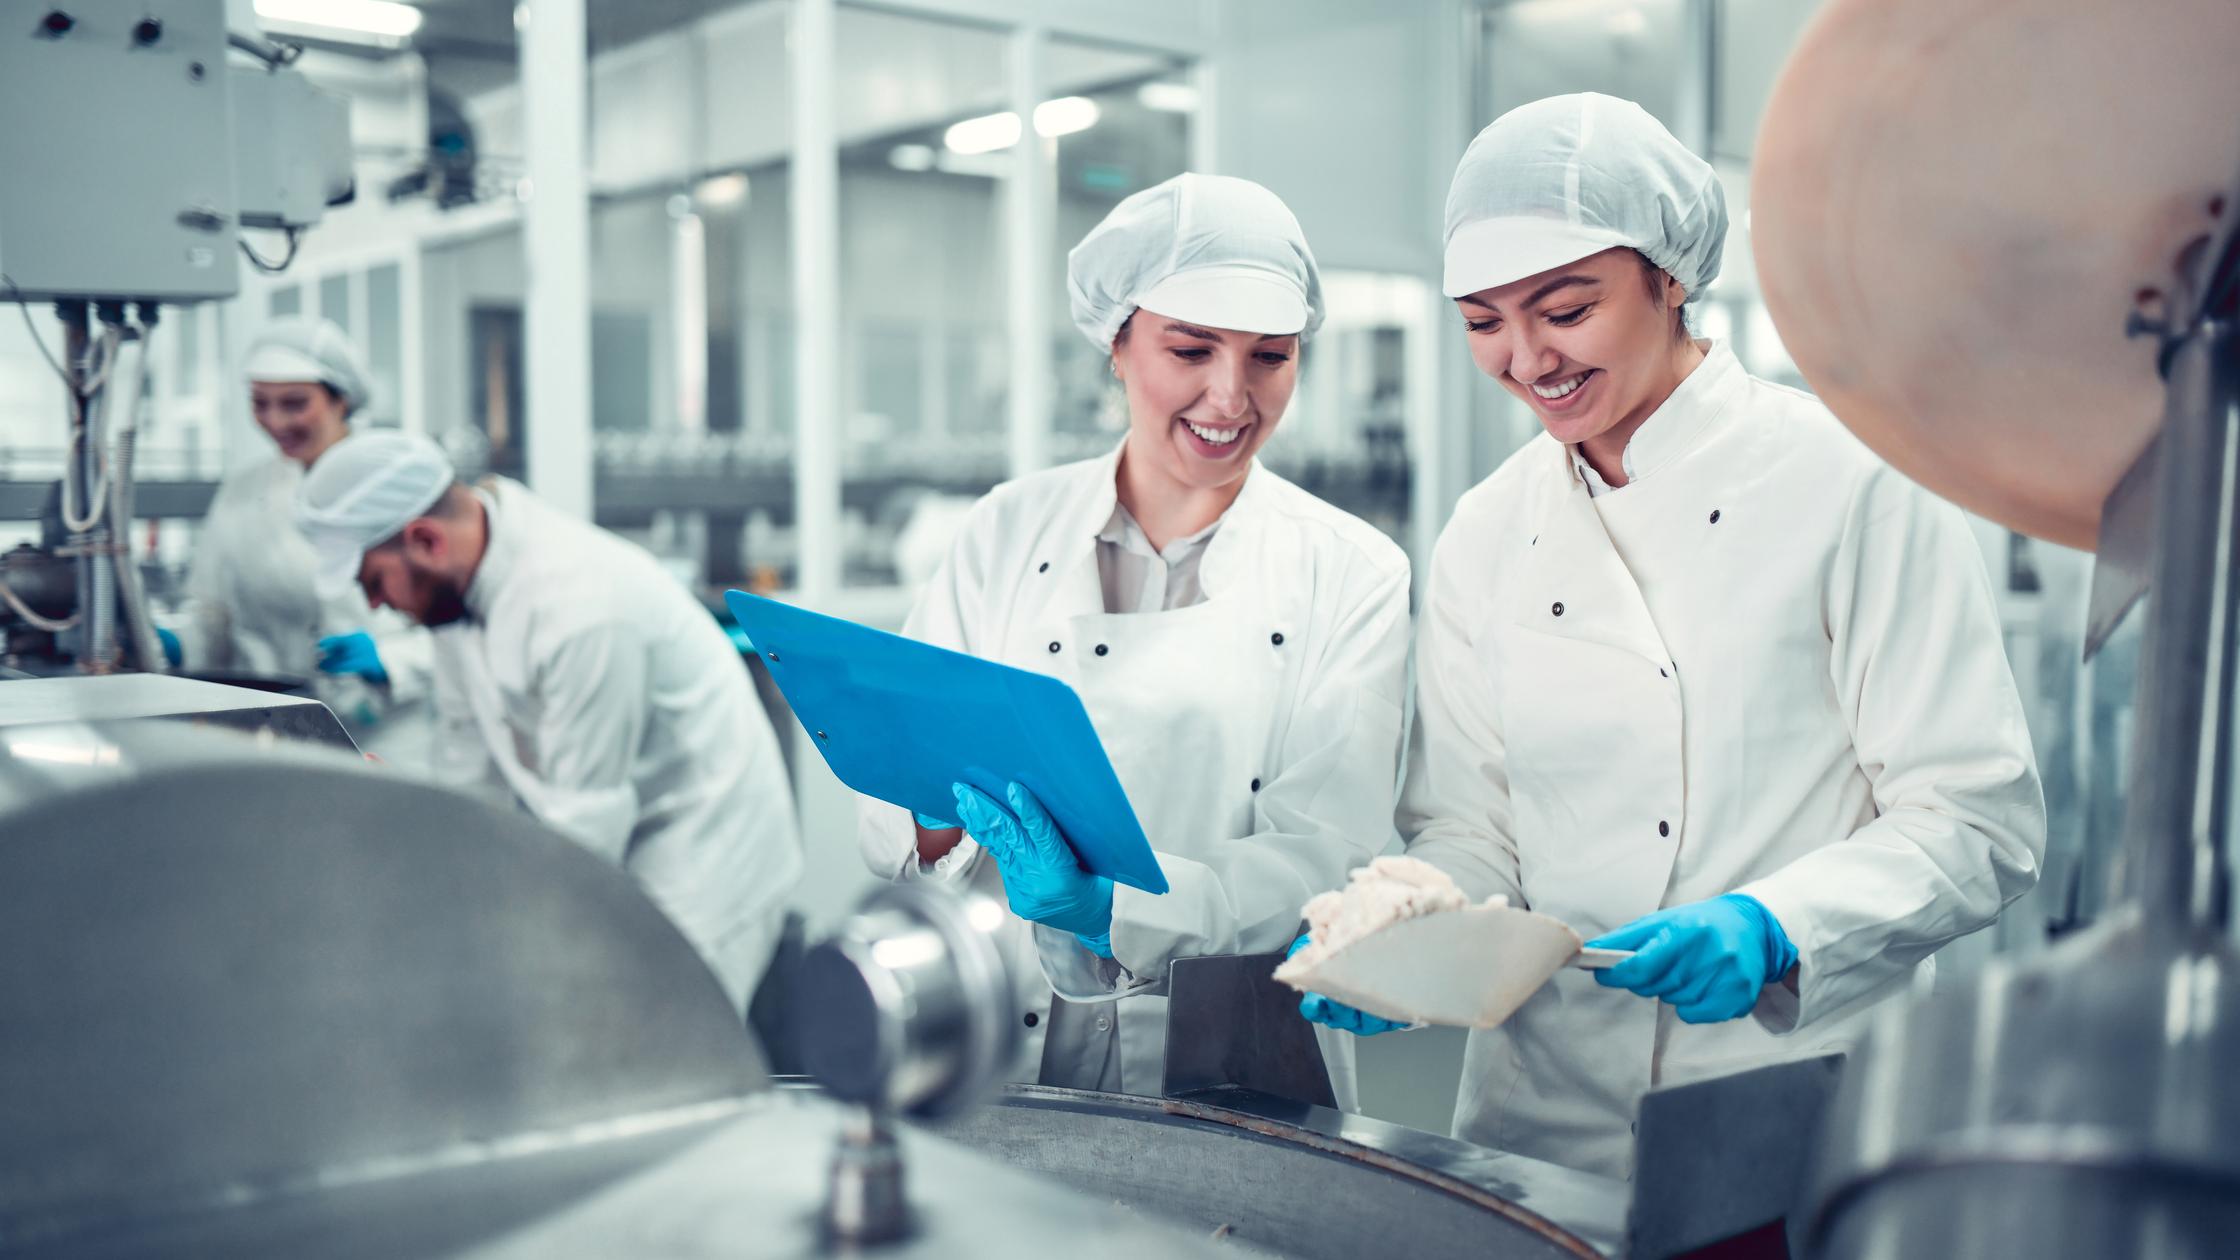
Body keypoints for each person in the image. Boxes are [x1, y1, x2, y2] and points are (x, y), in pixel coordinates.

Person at [1299, 94, 2047, 1179]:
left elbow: (1977, 816)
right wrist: (1399, 940)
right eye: (1481, 322)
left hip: (1782, 1110)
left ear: (1669, 274)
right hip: (1538, 1128)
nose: (1523, 358)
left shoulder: (1848, 479)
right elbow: (1471, 829)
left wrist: (1778, 923)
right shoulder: (1486, 528)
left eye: (1563, 309)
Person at [859, 173, 1412, 1105]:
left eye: (1271, 358)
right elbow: (887, 807)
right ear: (1117, 344)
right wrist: (939, 813)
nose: (1230, 397)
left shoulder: (1352, 568)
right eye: (1190, 349)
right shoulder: (1007, 528)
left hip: (1233, 1036)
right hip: (1006, 1024)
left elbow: (1329, 855)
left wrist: (1114, 907)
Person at [294, 432, 804, 1012]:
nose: (378, 606)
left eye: (374, 583)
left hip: (704, 848)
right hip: (614, 827)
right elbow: (470, 766)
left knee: (667, 1044)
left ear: (426, 540)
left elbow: (585, 829)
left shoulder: (580, 611)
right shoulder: (457, 591)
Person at [164, 318, 430, 739]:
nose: (275, 421)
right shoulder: (242, 493)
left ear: (341, 400)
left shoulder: (397, 480)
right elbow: (214, 614)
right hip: (280, 728)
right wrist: (177, 641)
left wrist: (392, 659)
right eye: (260, 403)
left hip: (395, 734)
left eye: (294, 403)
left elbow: (462, 625)